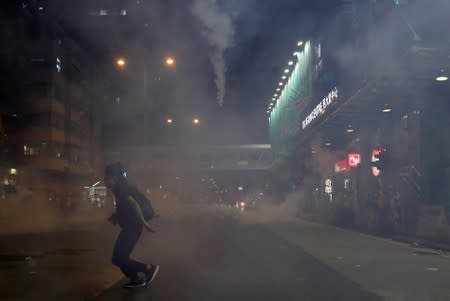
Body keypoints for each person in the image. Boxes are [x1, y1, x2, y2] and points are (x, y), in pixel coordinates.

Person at [104, 162, 159, 288]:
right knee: (118, 257)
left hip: (133, 228)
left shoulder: (120, 188)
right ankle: (135, 278)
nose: (105, 181)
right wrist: (116, 217)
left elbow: (133, 203)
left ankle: (148, 269)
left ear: (114, 177)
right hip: (131, 227)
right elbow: (127, 208)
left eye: (107, 178)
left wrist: (144, 223)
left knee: (118, 258)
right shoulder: (121, 188)